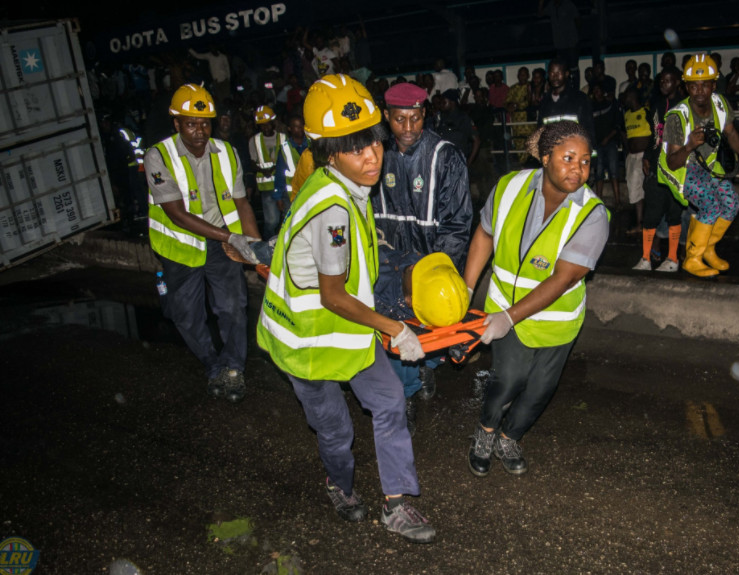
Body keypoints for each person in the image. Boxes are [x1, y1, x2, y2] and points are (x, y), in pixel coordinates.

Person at [256, 74, 436, 544]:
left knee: (390, 400)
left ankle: (397, 504)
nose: (372, 157)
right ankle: (340, 485)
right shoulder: (333, 207)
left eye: (372, 143)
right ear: (328, 152)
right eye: (355, 149)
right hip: (309, 341)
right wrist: (395, 328)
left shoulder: (338, 181)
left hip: (346, 331)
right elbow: (333, 295)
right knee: (336, 432)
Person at [464, 120, 609, 476]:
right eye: (569, 158)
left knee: (540, 391)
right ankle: (485, 431)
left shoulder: (593, 215)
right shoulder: (509, 187)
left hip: (555, 321)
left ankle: (510, 436)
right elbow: (484, 234)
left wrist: (508, 318)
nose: (578, 168)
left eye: (586, 161)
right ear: (545, 157)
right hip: (504, 306)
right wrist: (465, 290)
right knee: (508, 378)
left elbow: (563, 279)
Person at [146, 84, 262, 402]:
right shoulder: (158, 157)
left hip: (220, 243)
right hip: (180, 246)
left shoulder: (226, 153)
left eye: (205, 123)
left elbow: (241, 204)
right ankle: (213, 365)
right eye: (191, 123)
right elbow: (177, 214)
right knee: (186, 316)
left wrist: (254, 246)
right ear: (177, 123)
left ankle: (234, 369)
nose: (200, 131)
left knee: (233, 308)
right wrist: (231, 237)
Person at [375, 81, 473, 428]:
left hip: (432, 264)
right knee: (398, 328)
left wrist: (429, 276)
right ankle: (408, 391)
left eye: (415, 118)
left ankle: (428, 367)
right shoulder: (375, 152)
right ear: (387, 117)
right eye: (400, 119)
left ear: (424, 114)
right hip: (390, 261)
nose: (408, 128)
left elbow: (459, 224)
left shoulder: (444, 155)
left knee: (432, 326)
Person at [658, 54, 739, 278]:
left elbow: (731, 133)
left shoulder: (720, 104)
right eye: (694, 85)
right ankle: (692, 258)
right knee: (710, 204)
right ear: (686, 87)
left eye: (705, 85)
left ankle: (708, 249)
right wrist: (689, 145)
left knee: (731, 204)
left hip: (709, 166)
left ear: (714, 84)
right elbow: (672, 162)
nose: (700, 90)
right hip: (682, 168)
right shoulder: (677, 117)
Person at [633, 67, 684, 272]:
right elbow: (655, 136)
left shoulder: (684, 106)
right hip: (656, 168)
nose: (664, 83)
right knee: (651, 215)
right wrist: (647, 156)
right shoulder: (656, 105)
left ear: (678, 82)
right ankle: (645, 259)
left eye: (669, 80)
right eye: (662, 80)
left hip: (678, 169)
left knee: (674, 214)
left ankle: (672, 259)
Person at [537, 59, 596, 146]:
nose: (555, 76)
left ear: (566, 74)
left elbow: (589, 130)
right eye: (552, 73)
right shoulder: (545, 102)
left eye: (559, 72)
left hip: (574, 154)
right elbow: (540, 132)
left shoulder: (579, 99)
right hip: (553, 156)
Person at [248, 106, 284, 239]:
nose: (266, 127)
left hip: (284, 185)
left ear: (273, 123)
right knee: (271, 221)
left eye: (267, 124)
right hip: (267, 186)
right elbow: (252, 162)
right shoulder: (254, 140)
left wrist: (276, 168)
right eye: (262, 125)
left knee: (286, 219)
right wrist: (263, 170)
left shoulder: (283, 138)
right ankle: (267, 243)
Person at [622, 87, 654, 234]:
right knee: (634, 190)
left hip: (644, 156)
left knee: (648, 190)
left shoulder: (647, 112)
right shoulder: (627, 115)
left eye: (626, 96)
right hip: (632, 156)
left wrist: (650, 154)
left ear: (632, 96)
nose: (624, 99)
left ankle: (648, 223)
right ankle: (640, 223)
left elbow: (655, 134)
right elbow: (625, 134)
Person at [590, 83, 622, 207]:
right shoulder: (591, 107)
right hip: (597, 145)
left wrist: (608, 138)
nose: (597, 92)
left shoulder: (610, 103)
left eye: (599, 90)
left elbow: (617, 124)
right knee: (599, 173)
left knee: (614, 171)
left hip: (610, 143)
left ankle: (618, 201)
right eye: (595, 90)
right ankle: (599, 202)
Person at [273, 115, 310, 215]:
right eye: (296, 127)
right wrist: (278, 196)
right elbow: (280, 174)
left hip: (310, 192)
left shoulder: (311, 145)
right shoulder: (285, 148)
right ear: (290, 129)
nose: (300, 129)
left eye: (301, 126)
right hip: (291, 195)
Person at [436, 89, 481, 166]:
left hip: (458, 162)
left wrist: (468, 163)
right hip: (443, 162)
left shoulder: (462, 118)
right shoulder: (442, 117)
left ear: (452, 102)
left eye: (444, 102)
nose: (441, 105)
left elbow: (477, 141)